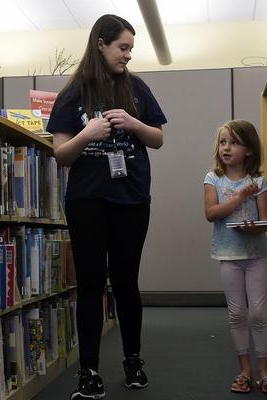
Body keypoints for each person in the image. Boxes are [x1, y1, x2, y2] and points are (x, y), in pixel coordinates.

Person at [46, 14, 167, 400]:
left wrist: (133, 123)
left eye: (131, 48)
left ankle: (133, 361)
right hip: (87, 202)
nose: (128, 55)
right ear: (101, 43)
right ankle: (89, 372)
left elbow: (158, 138)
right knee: (91, 285)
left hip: (131, 199)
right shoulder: (73, 94)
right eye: (123, 47)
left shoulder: (137, 88)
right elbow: (61, 155)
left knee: (127, 282)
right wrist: (87, 133)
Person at [203, 120, 267, 394]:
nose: (226, 147)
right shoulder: (213, 178)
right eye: (223, 142)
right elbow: (211, 213)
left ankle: (264, 370)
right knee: (237, 312)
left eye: (234, 142)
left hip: (256, 254)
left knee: (259, 312)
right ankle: (245, 370)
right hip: (228, 255)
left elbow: (266, 222)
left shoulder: (258, 181)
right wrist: (238, 198)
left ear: (248, 150)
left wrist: (254, 228)